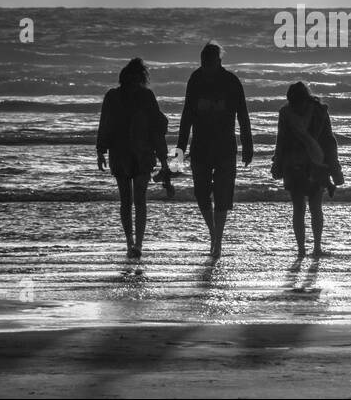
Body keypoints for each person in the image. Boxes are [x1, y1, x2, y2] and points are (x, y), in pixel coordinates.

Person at [177, 42, 253, 259]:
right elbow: (187, 115)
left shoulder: (231, 82)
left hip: (225, 148)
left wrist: (248, 145)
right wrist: (180, 151)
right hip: (200, 147)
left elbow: (243, 115)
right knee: (201, 194)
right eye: (203, 64)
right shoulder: (195, 79)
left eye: (209, 64)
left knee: (222, 197)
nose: (205, 68)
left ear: (218, 62)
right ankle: (213, 234)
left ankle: (217, 241)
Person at [96, 58, 171, 259]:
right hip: (138, 154)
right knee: (137, 200)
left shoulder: (114, 96)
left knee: (128, 201)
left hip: (126, 155)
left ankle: (132, 243)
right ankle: (135, 243)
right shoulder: (145, 96)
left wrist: (100, 149)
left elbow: (105, 124)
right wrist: (163, 159)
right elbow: (158, 128)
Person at [271, 81, 344, 258]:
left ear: (305, 99)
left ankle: (315, 248)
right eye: (293, 104)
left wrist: (335, 169)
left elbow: (329, 140)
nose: (296, 107)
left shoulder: (315, 112)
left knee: (313, 207)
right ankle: (303, 250)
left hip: (314, 164)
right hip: (300, 164)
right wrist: (277, 163)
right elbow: (280, 141)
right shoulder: (292, 112)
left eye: (298, 103)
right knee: (301, 208)